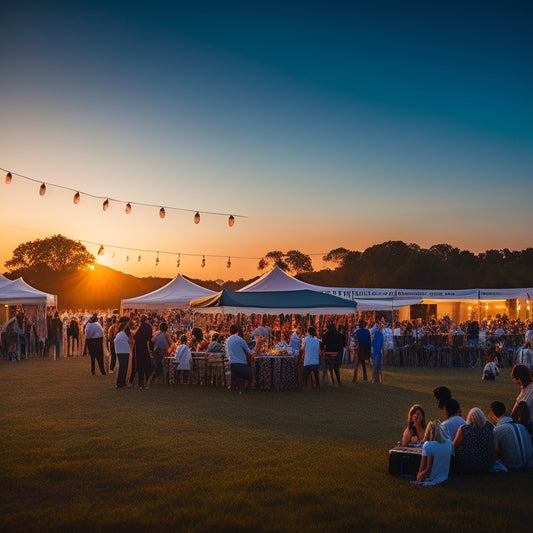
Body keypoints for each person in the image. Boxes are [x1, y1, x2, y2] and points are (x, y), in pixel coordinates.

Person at [490, 401, 533, 470]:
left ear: (493, 414)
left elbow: (495, 452)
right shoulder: (521, 427)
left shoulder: (497, 431)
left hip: (513, 464)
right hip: (528, 461)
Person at [453, 407, 494, 474]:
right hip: (486, 464)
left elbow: (454, 446)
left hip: (467, 465)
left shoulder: (464, 429)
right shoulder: (489, 427)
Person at [414, 421, 454, 486]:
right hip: (444, 477)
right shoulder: (449, 443)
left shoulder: (428, 445)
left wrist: (419, 475)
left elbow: (424, 469)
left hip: (430, 478)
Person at [225, 324, 254, 394]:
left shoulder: (227, 341)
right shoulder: (241, 340)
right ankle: (241, 389)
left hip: (232, 364)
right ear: (238, 331)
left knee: (237, 375)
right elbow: (249, 352)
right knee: (250, 375)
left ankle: (235, 386)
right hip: (242, 364)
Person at [148, 322, 172, 387]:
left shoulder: (157, 334)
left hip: (155, 352)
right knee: (159, 368)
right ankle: (152, 378)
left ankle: (152, 379)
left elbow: (152, 340)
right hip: (160, 353)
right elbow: (168, 346)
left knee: (157, 367)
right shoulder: (165, 335)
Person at [114, 317, 132, 388]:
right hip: (124, 350)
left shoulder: (118, 332)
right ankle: (122, 383)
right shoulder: (127, 330)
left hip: (118, 350)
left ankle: (119, 383)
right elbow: (130, 340)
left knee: (122, 367)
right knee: (124, 368)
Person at [302, 326, 320, 391]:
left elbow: (302, 349)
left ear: (308, 332)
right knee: (316, 374)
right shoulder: (317, 340)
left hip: (308, 361)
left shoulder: (305, 339)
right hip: (316, 361)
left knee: (305, 375)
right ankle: (317, 385)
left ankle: (304, 386)